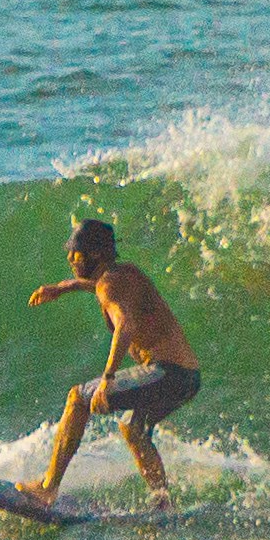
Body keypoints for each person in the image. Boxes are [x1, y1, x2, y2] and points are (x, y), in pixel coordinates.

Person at [19, 219, 201, 510]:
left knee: (78, 398)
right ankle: (162, 502)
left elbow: (124, 324)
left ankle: (47, 488)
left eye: (77, 254)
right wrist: (62, 288)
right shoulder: (124, 273)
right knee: (132, 427)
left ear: (97, 256)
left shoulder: (109, 286)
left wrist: (108, 378)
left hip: (165, 372)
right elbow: (99, 286)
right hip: (188, 377)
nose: (70, 258)